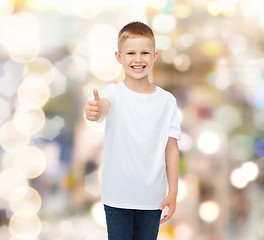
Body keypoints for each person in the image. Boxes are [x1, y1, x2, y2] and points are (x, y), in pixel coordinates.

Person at [85, 21, 181, 240]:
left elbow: (171, 147)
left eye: (144, 52)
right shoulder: (113, 93)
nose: (138, 59)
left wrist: (173, 192)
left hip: (152, 198)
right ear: (119, 57)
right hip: (117, 196)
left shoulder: (167, 101)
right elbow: (103, 107)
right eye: (131, 53)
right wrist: (96, 109)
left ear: (154, 56)